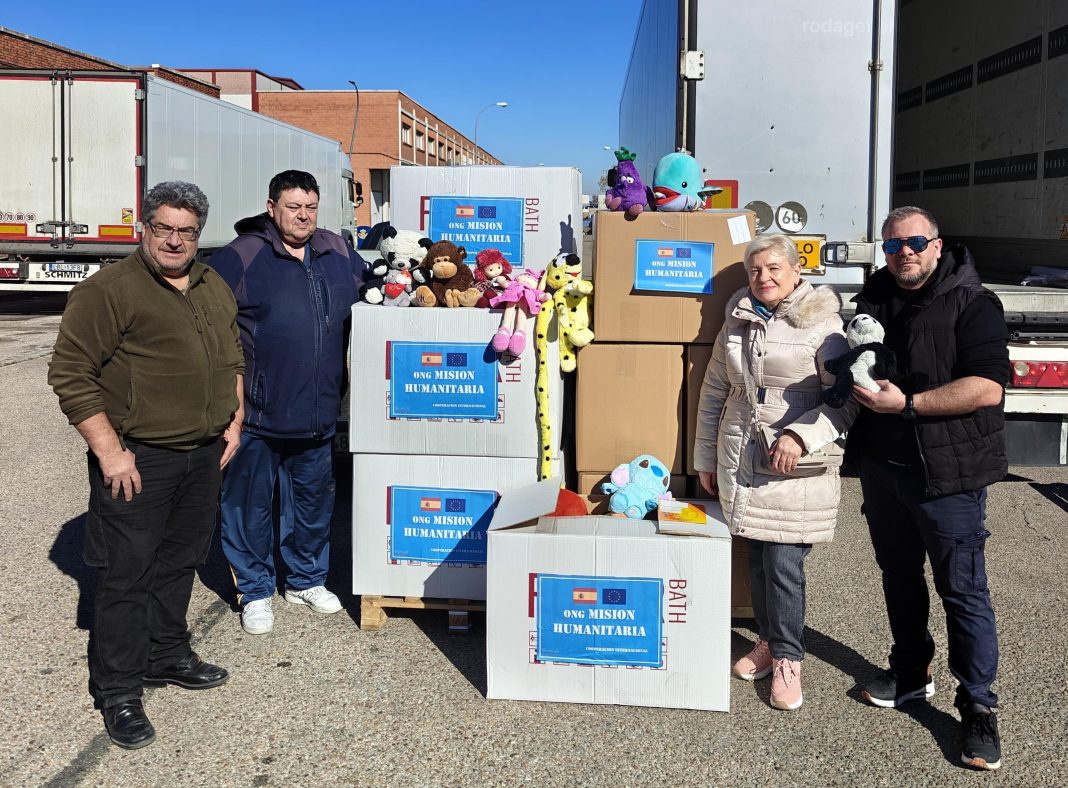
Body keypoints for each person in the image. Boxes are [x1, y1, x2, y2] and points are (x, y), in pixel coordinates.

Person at [48, 181, 244, 750]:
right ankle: (119, 690)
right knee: (126, 574)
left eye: (187, 231)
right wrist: (110, 452)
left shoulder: (211, 284)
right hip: (139, 458)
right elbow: (71, 374)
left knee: (181, 560)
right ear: (145, 227)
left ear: (199, 234)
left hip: (203, 453)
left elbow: (233, 356)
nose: (175, 240)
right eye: (164, 228)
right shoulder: (109, 290)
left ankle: (166, 653)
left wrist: (234, 421)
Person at [852, 206, 1008, 771]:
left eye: (915, 242)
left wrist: (910, 405)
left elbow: (987, 388)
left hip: (948, 475)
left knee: (962, 591)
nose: (905, 253)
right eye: (894, 245)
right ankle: (911, 671)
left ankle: (978, 707)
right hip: (884, 469)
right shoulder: (874, 299)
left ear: (937, 246)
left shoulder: (974, 303)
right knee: (898, 576)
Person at [694, 234, 857, 711]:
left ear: (795, 271)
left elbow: (846, 400)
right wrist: (706, 457)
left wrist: (800, 436)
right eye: (755, 270)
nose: (763, 277)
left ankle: (789, 658)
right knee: (758, 557)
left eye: (773, 268)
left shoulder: (824, 326)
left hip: (792, 465)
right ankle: (767, 641)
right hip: (743, 456)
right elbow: (714, 390)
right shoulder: (739, 319)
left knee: (784, 564)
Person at [210, 170, 365, 635]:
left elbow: (378, 294)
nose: (303, 216)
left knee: (313, 505)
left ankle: (305, 580)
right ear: (271, 207)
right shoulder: (241, 256)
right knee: (248, 507)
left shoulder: (337, 251)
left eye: (310, 207)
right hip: (257, 414)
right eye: (293, 207)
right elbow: (209, 328)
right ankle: (255, 590)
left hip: (318, 412)